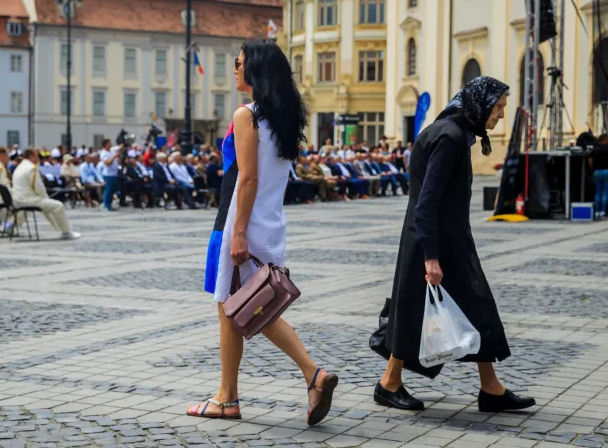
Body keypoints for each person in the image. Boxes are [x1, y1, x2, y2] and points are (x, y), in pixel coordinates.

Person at [189, 39, 338, 426]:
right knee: (251, 305)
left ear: (254, 68)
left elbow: (248, 178)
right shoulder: (284, 118)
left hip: (242, 221)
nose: (234, 68)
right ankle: (236, 393)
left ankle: (244, 393)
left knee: (234, 307)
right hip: (270, 221)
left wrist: (237, 233)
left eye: (238, 62)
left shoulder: (247, 115)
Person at [375, 76, 535, 413]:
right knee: (415, 313)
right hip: (432, 244)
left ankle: (491, 388)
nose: (501, 115)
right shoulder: (449, 138)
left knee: (476, 308)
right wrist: (431, 258)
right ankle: (389, 383)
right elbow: (427, 201)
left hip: (443, 241)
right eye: (498, 107)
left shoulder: (452, 132)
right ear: (479, 103)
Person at [12, 149, 81, 240]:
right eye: (37, 156)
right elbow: (39, 187)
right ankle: (66, 232)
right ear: (32, 156)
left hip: (18, 199)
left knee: (46, 206)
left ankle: (10, 226)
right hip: (27, 200)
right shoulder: (31, 168)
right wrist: (46, 198)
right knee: (58, 206)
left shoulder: (20, 167)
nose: (38, 158)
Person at [589, 134, 608, 218]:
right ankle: (603, 211)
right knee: (605, 193)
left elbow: (590, 160)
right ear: (606, 139)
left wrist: (592, 170)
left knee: (597, 193)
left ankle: (597, 211)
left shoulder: (595, 149)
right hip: (607, 172)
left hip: (597, 172)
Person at [99, 139, 121, 212]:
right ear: (105, 145)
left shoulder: (111, 150)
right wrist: (114, 157)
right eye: (109, 143)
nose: (111, 145)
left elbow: (120, 147)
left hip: (114, 174)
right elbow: (107, 163)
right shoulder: (103, 153)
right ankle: (106, 205)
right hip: (108, 175)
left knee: (112, 191)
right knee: (108, 190)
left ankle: (109, 205)